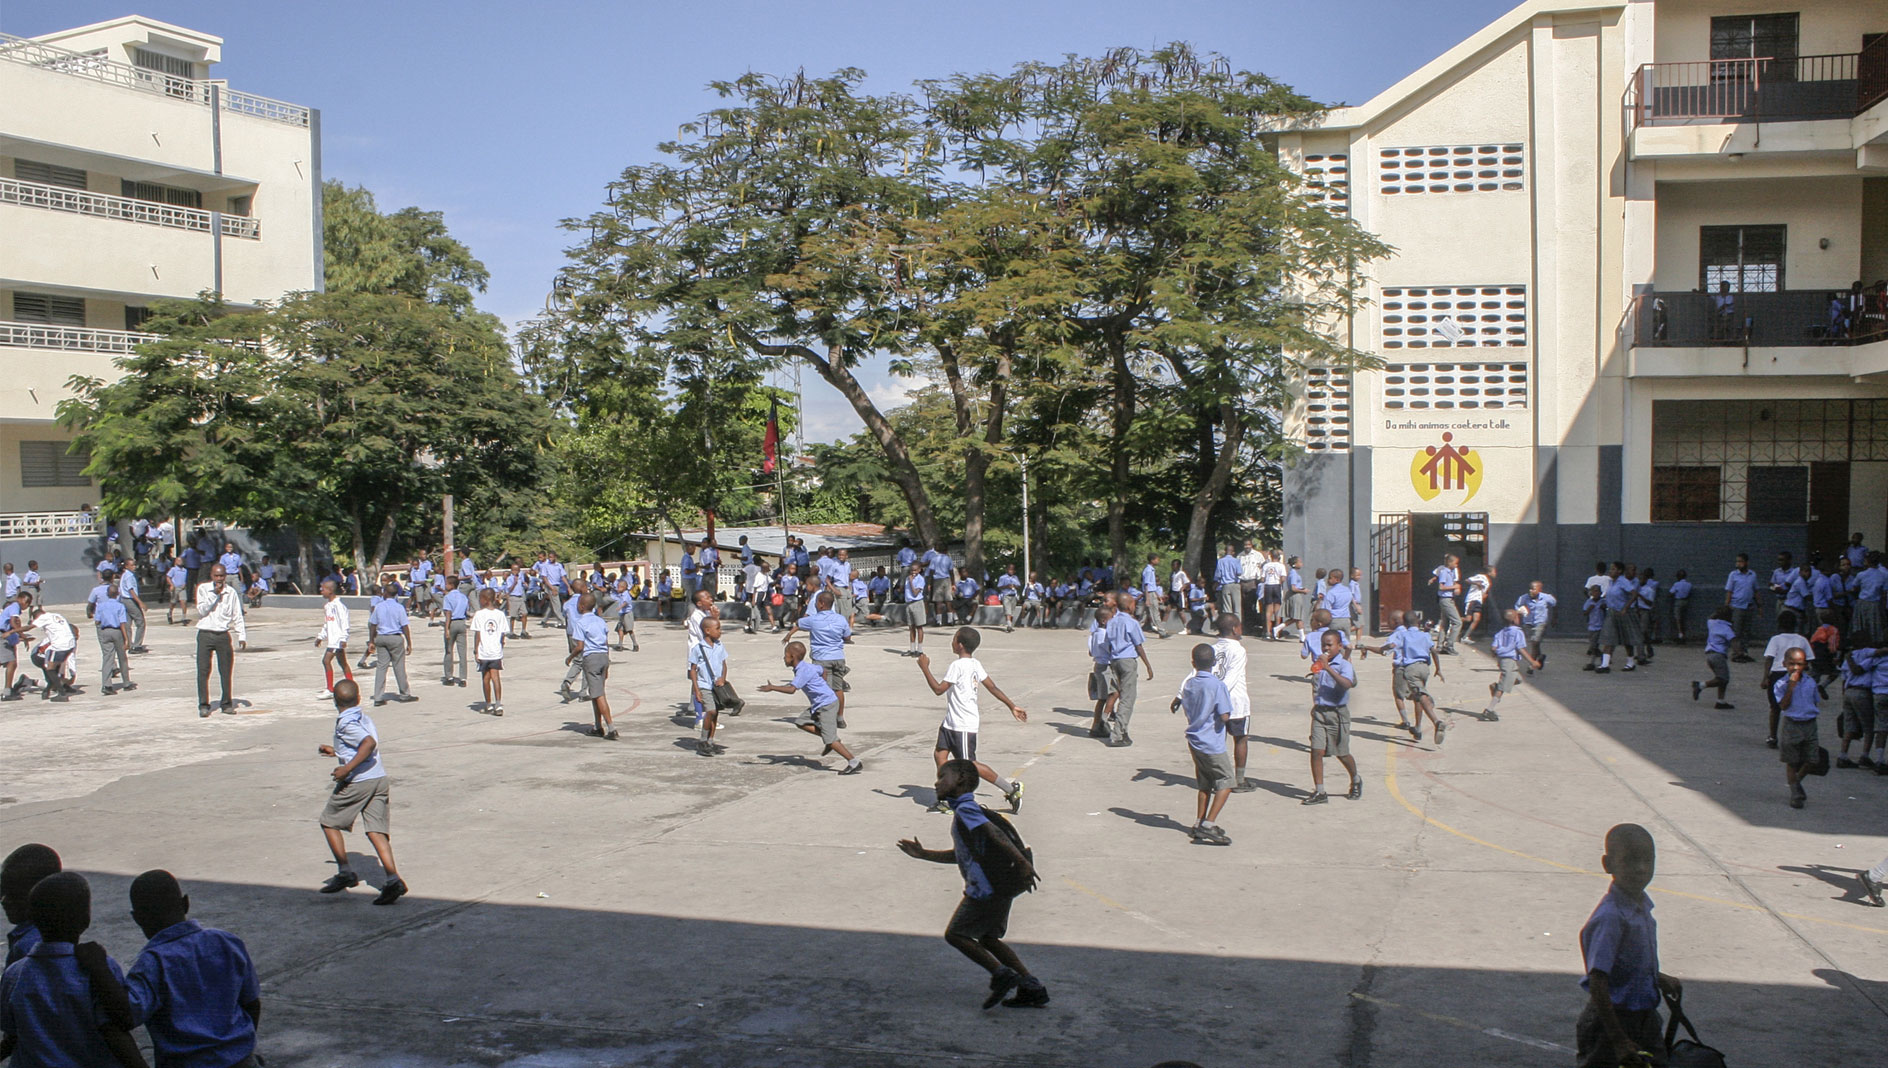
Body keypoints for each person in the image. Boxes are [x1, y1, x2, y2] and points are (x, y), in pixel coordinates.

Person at [896, 759, 1048, 1010]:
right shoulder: (966, 811)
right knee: (988, 938)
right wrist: (924, 854)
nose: (937, 782)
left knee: (956, 934)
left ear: (961, 781)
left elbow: (994, 834)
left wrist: (1021, 862)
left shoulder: (967, 810)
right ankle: (1031, 987)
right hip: (999, 887)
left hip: (985, 890)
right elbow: (962, 854)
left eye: (943, 777)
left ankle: (1002, 974)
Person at [112, 870, 262, 1068]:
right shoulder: (226, 943)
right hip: (240, 1060)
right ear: (185, 903)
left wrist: (100, 972)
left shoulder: (151, 965)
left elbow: (127, 1014)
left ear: (137, 918)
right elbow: (252, 1003)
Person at [0, 871, 144, 1068]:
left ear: (32, 916)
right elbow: (114, 1030)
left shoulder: (14, 974)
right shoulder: (98, 967)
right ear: (85, 919)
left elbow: (12, 1032)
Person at [1576, 824, 1680, 1068]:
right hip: (1611, 1022)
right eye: (1631, 860)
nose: (1641, 868)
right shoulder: (1611, 917)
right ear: (1608, 865)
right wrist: (1618, 1040)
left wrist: (1657, 977)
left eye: (1648, 860)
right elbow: (1598, 982)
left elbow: (1628, 960)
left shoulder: (1641, 906)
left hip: (1644, 1018)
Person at [316, 680, 407, 904]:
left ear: (335, 701)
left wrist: (346, 767)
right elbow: (359, 744)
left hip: (359, 781)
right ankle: (393, 879)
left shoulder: (346, 722)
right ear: (358, 698)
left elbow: (367, 744)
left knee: (329, 822)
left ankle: (345, 872)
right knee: (376, 830)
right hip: (378, 778)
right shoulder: (362, 716)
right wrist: (337, 751)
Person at [916, 627, 1026, 812]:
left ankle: (1011, 789)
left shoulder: (957, 666)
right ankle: (947, 798)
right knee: (940, 755)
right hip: (950, 722)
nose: (951, 642)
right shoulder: (975, 664)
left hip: (963, 725)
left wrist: (924, 667)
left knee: (969, 766)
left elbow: (938, 690)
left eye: (953, 639)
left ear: (959, 645)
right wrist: (1011, 705)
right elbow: (993, 687)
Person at [760, 640, 862, 774]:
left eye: (785, 655)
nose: (784, 658)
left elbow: (791, 690)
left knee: (830, 739)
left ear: (792, 657)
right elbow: (823, 670)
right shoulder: (806, 666)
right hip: (820, 704)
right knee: (801, 722)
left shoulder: (802, 671)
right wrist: (823, 684)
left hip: (827, 705)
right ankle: (830, 739)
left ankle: (853, 762)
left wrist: (772, 687)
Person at [1171, 642, 1235, 844]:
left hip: (1195, 738)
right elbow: (1224, 715)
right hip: (1212, 742)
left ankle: (1199, 821)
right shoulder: (1217, 685)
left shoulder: (1189, 684)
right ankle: (1209, 823)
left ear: (1193, 663)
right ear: (1215, 663)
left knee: (1204, 783)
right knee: (1227, 781)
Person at [1302, 629, 1360, 805]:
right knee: (1316, 751)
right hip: (1320, 712)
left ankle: (1356, 779)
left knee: (1341, 753)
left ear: (1339, 646)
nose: (1325, 648)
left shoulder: (1344, 665)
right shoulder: (1320, 663)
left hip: (1337, 714)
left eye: (1329, 645)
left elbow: (1347, 684)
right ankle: (1320, 791)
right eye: (1323, 645)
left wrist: (1328, 668)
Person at [1376, 610, 1442, 743]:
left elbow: (1391, 646)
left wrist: (1383, 648)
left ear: (1404, 623)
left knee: (1421, 696)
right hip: (1425, 668)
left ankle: (1437, 721)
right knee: (1417, 697)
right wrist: (1438, 669)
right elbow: (1434, 651)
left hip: (1411, 669)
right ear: (1418, 622)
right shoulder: (1425, 635)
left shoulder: (1404, 635)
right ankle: (1417, 727)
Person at [1103, 591, 1155, 747]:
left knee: (1119, 694)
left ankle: (1123, 731)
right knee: (1127, 698)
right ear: (1128, 605)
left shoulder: (1111, 622)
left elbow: (1108, 644)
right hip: (1127, 661)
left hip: (1114, 660)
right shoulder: (1132, 623)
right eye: (1133, 603)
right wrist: (1148, 665)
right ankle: (1117, 734)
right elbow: (1138, 645)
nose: (1134, 605)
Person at [194, 564, 246, 718]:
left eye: (221, 576)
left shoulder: (231, 593)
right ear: (211, 576)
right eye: (216, 576)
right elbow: (202, 610)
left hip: (222, 635)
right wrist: (215, 595)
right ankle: (204, 704)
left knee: (225, 671)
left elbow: (237, 615)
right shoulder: (203, 589)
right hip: (205, 633)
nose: (219, 579)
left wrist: (241, 635)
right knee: (203, 671)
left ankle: (226, 703)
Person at [1775, 647, 1821, 809]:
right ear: (1784, 664)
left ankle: (1796, 782)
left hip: (1809, 723)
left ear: (1805, 665)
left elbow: (1815, 701)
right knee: (1791, 760)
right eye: (1791, 664)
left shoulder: (1810, 682)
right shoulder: (1781, 684)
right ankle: (1795, 793)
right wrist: (1791, 686)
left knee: (1812, 759)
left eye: (1799, 664)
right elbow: (1784, 705)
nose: (1795, 668)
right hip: (1792, 723)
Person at [567, 592, 617, 740]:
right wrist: (607, 664)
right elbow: (606, 644)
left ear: (581, 606)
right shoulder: (600, 621)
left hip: (592, 658)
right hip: (603, 657)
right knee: (596, 693)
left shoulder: (581, 623)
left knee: (599, 695)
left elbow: (580, 646)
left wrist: (570, 657)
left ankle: (611, 728)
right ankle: (598, 726)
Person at [689, 617, 741, 756]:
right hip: (704, 684)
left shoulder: (719, 645)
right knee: (710, 711)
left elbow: (724, 664)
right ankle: (702, 740)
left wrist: (723, 678)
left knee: (716, 713)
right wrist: (696, 689)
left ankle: (711, 741)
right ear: (707, 630)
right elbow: (693, 669)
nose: (720, 632)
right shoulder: (698, 648)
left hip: (717, 686)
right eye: (717, 629)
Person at [2, 843, 60, 967]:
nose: (4, 901)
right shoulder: (58, 929)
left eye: (14, 895)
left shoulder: (29, 947)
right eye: (2, 891)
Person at [1761, 613, 1811, 750]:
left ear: (1779, 624)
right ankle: (1795, 737)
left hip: (1777, 673)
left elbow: (1769, 658)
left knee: (1775, 707)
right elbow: (1809, 660)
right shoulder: (1802, 640)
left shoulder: (1776, 639)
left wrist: (1765, 677)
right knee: (1796, 707)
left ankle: (1772, 736)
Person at [1482, 609, 1540, 724]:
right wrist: (1532, 662)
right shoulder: (1518, 632)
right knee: (1503, 687)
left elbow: (1493, 648)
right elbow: (1521, 649)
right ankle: (1489, 709)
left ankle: (1495, 687)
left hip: (1503, 660)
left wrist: (1495, 653)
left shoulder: (1500, 633)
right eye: (1518, 617)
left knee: (1518, 679)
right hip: (1509, 661)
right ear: (1515, 619)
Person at [367, 583, 415, 707]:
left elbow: (373, 624)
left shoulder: (379, 607)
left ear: (385, 593)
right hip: (395, 637)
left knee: (381, 667)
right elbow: (405, 626)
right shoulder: (399, 607)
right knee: (399, 666)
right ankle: (404, 694)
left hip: (381, 637)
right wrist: (409, 642)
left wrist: (371, 641)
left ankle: (378, 696)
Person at [470, 588, 508, 716]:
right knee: (496, 677)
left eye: (480, 598)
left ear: (485, 600)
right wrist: (500, 645)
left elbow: (478, 634)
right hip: (496, 651)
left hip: (484, 651)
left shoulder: (480, 614)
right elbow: (503, 634)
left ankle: (488, 703)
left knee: (486, 678)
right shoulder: (500, 614)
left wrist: (476, 650)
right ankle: (498, 704)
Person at [1691, 606, 1737, 710]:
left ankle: (1721, 701)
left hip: (1710, 655)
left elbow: (1711, 616)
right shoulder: (1727, 629)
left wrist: (1718, 611)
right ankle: (1700, 685)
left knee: (1721, 677)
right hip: (1719, 655)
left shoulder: (1712, 623)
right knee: (1723, 679)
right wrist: (1739, 653)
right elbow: (1734, 641)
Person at [314, 579, 353, 699]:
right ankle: (352, 685)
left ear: (330, 591)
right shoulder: (328, 606)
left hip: (337, 641)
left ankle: (330, 689)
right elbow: (327, 623)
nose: (321, 591)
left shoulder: (339, 606)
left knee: (326, 661)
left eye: (323, 589)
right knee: (343, 663)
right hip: (332, 640)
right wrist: (320, 636)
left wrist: (343, 638)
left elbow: (344, 622)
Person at [31, 607, 79, 702]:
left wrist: (72, 674)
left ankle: (49, 691)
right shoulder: (61, 639)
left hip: (46, 653)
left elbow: (70, 658)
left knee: (53, 674)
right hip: (38, 655)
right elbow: (68, 657)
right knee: (52, 672)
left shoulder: (67, 639)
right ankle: (61, 692)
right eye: (76, 635)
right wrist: (72, 675)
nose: (78, 637)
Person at [95, 581, 134, 696]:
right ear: (117, 594)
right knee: (122, 657)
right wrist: (126, 639)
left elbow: (97, 620)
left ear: (107, 594)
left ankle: (106, 684)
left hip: (105, 631)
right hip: (117, 631)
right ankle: (126, 682)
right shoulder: (120, 606)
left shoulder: (101, 606)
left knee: (107, 658)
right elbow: (123, 623)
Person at [1723, 553, 1760, 662]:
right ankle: (1736, 653)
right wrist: (1727, 606)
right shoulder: (1733, 575)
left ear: (1746, 562)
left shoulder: (1752, 575)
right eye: (1737, 562)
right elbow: (1729, 591)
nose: (1738, 564)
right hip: (1737, 606)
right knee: (1737, 631)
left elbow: (1756, 590)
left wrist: (1759, 605)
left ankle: (1744, 652)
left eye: (1740, 561)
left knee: (1746, 631)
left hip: (1748, 606)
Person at [1428, 553, 1462, 654]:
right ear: (1450, 563)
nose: (1456, 566)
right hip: (1445, 599)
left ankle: (1440, 645)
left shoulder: (1451, 572)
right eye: (1455, 563)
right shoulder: (1444, 572)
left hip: (1449, 598)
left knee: (1445, 623)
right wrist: (1454, 587)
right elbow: (1441, 587)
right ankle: (1449, 644)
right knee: (1458, 622)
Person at [117, 563, 148, 655]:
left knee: (127, 623)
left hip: (124, 600)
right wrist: (140, 602)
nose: (134, 566)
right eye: (132, 565)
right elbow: (131, 590)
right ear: (126, 566)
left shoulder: (124, 575)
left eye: (135, 565)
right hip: (130, 600)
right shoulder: (129, 576)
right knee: (140, 622)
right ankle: (136, 645)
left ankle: (129, 644)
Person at [902, 562, 929, 656]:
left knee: (919, 627)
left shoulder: (920, 579)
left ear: (919, 570)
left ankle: (920, 650)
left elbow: (915, 593)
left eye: (915, 570)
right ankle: (912, 649)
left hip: (917, 603)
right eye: (911, 570)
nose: (913, 572)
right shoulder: (907, 578)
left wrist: (911, 582)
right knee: (911, 627)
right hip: (909, 603)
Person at [1212, 543, 1242, 623]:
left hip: (1225, 585)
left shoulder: (1220, 561)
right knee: (1237, 608)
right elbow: (1239, 572)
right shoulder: (1236, 561)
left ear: (1225, 551)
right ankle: (1237, 627)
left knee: (1227, 608)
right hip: (1235, 584)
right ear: (1233, 552)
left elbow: (1218, 575)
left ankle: (1228, 628)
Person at [1668, 569, 1692, 645]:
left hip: (1678, 601)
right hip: (1686, 601)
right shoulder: (1689, 584)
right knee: (1684, 618)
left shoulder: (1676, 584)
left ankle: (1680, 634)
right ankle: (1684, 634)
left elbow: (1671, 592)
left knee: (1677, 618)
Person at [166, 557, 191, 625]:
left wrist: (185, 584)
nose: (180, 561)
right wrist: (172, 585)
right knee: (173, 602)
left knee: (184, 601)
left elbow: (185, 579)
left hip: (182, 588)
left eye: (181, 560)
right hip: (175, 587)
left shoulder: (185, 570)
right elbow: (168, 577)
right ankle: (170, 613)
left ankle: (184, 617)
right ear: (175, 562)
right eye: (178, 560)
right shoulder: (173, 569)